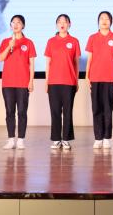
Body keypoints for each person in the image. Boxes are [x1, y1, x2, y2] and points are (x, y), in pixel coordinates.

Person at [85, 10, 113, 149]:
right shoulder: (92, 38)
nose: (104, 21)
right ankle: (98, 138)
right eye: (102, 18)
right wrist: (87, 76)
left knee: (108, 109)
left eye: (107, 19)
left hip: (111, 79)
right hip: (95, 78)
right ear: (98, 21)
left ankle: (107, 137)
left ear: (111, 22)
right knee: (96, 108)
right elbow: (89, 59)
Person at [0, 14, 35, 150]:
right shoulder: (5, 41)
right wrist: (9, 46)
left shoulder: (28, 42)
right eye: (13, 22)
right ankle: (10, 140)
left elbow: (32, 64)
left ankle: (21, 140)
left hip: (23, 82)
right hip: (8, 83)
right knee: (9, 111)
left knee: (22, 111)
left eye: (18, 22)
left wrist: (31, 81)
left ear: (23, 25)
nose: (15, 25)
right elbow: (1, 58)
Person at [45, 13, 81, 150]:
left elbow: (76, 63)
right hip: (53, 82)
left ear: (69, 24)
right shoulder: (51, 41)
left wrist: (76, 81)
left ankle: (66, 139)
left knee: (67, 111)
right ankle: (56, 139)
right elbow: (48, 63)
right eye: (59, 21)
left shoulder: (74, 41)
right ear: (56, 25)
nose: (62, 24)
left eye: (65, 21)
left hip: (69, 82)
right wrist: (47, 82)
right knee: (55, 111)